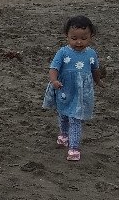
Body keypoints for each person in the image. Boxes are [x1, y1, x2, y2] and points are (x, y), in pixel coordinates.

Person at [42, 15, 103, 161]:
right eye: (74, 38)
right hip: (65, 89)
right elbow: (53, 68)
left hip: (82, 91)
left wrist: (98, 81)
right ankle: (63, 135)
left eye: (84, 38)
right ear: (67, 36)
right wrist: (54, 80)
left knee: (76, 117)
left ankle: (74, 148)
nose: (79, 42)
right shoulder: (63, 52)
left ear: (91, 36)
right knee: (63, 113)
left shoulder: (91, 54)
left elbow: (95, 70)